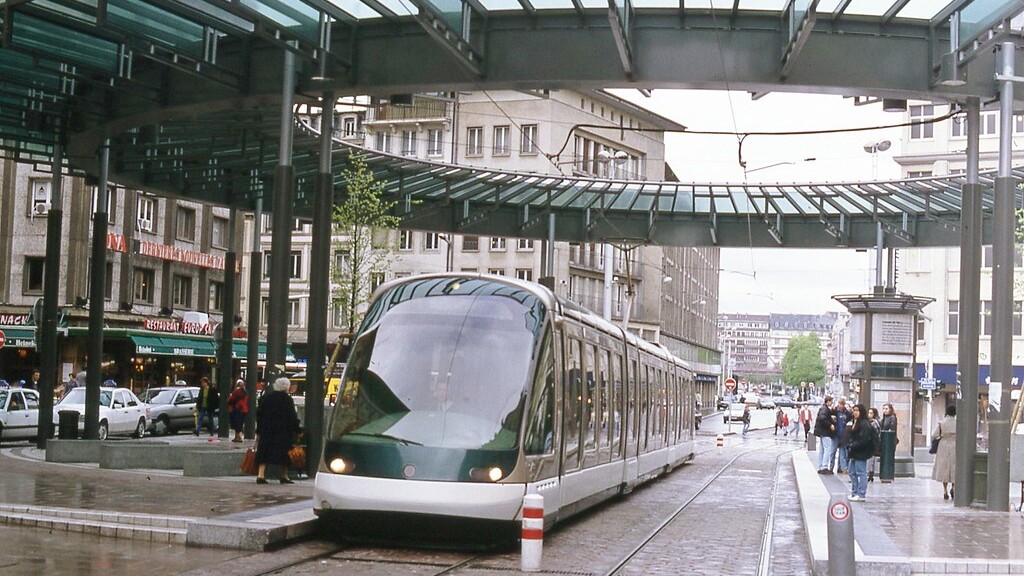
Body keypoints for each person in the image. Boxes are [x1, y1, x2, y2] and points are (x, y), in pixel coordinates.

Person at [255, 376, 301, 484]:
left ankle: (261, 475)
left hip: (267, 430)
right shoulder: (287, 400)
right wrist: (298, 430)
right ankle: (284, 475)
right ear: (287, 387)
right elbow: (292, 417)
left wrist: (258, 431)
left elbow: (259, 415)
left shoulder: (266, 398)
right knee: (284, 453)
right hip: (283, 431)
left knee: (264, 452)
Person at [846, 403, 876, 502]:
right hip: (854, 451)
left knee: (861, 472)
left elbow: (864, 439)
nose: (855, 413)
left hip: (860, 452)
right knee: (852, 472)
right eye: (854, 410)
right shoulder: (856, 422)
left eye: (857, 411)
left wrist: (853, 445)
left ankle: (861, 493)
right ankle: (855, 492)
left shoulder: (864, 424)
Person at [932, 403, 957, 500]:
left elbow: (934, 435)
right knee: (954, 467)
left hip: (943, 446)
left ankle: (945, 490)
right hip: (955, 445)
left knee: (944, 468)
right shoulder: (957, 423)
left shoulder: (941, 423)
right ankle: (954, 488)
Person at [814, 396, 837, 474]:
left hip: (821, 431)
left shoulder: (824, 408)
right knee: (827, 449)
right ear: (828, 401)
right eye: (831, 401)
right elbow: (823, 418)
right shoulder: (825, 409)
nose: (832, 403)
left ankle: (820, 466)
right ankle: (824, 466)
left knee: (822, 449)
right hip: (825, 432)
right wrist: (830, 425)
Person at [833, 398, 853, 474]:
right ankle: (838, 467)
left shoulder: (847, 413)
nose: (841, 406)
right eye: (840, 404)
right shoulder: (835, 411)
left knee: (843, 452)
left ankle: (841, 468)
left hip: (844, 435)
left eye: (842, 404)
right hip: (836, 434)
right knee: (834, 451)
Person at [879, 402, 899, 482]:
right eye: (884, 409)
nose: (885, 410)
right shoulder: (884, 418)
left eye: (886, 409)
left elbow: (892, 428)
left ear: (890, 409)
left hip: (889, 441)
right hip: (884, 441)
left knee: (889, 458)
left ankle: (888, 476)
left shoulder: (892, 418)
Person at [227, 379, 249, 443]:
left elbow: (231, 399)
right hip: (243, 409)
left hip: (238, 409)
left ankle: (239, 437)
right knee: (239, 423)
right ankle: (237, 437)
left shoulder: (237, 391)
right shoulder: (245, 392)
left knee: (237, 423)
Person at [866, 407, 882, 482]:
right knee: (871, 459)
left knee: (871, 459)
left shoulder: (874, 423)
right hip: (870, 443)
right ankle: (870, 474)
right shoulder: (869, 422)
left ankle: (870, 473)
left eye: (871, 413)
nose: (869, 414)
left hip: (872, 443)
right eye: (868, 413)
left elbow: (875, 433)